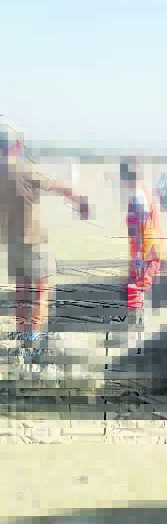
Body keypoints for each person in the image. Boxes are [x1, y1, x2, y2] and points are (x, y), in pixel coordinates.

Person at [0, 127, 89, 359]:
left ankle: (23, 342)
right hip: (34, 241)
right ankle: (35, 343)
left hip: (11, 240)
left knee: (21, 292)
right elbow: (59, 186)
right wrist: (81, 200)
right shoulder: (25, 168)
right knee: (42, 292)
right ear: (16, 145)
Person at [120, 160, 166, 349]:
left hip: (145, 251)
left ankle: (138, 334)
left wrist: (138, 256)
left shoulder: (138, 197)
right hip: (148, 250)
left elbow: (142, 225)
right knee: (140, 288)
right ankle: (141, 330)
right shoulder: (144, 193)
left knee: (137, 288)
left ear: (124, 179)